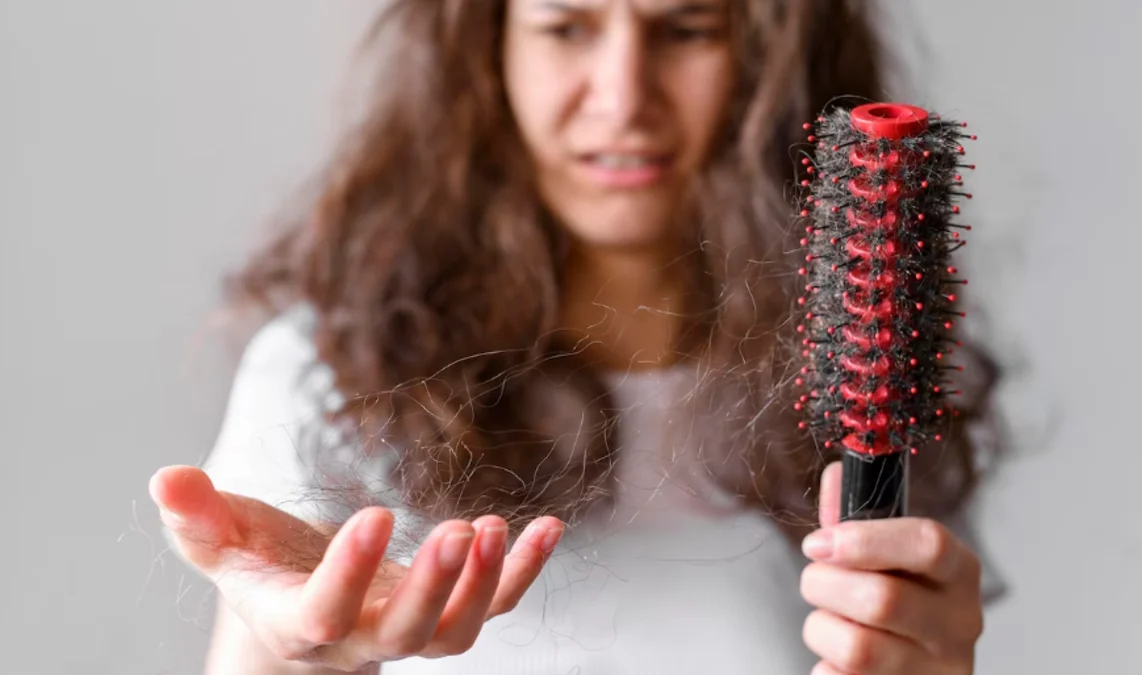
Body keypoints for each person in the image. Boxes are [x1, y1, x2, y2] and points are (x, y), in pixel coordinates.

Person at [150, 1, 1005, 673]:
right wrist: (293, 648)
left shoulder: (872, 381)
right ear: (488, 49)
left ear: (769, 54)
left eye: (686, 28)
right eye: (565, 27)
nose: (624, 95)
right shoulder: (329, 375)